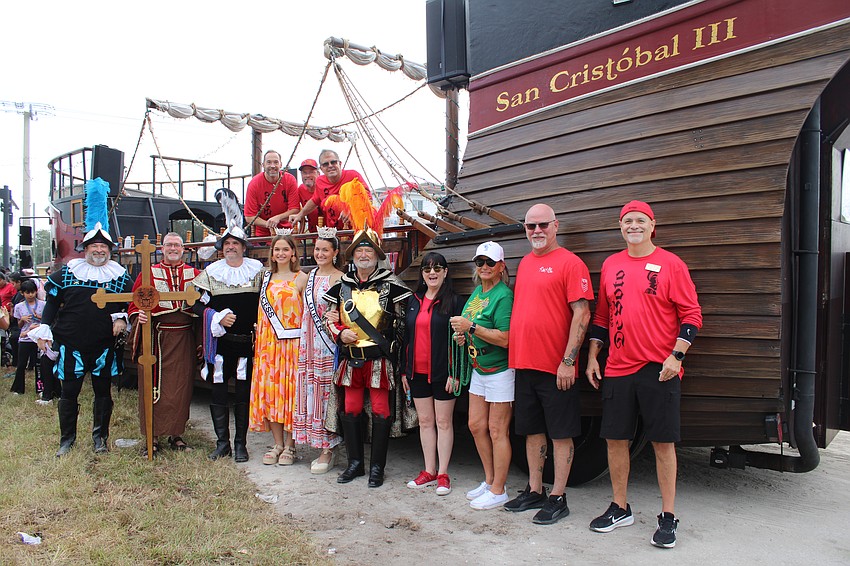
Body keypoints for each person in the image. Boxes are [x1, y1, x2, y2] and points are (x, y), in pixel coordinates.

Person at [585, 200, 702, 549]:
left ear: (653, 225)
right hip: (618, 367)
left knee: (662, 443)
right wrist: (593, 356)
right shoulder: (611, 265)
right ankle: (620, 507)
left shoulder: (671, 264)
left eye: (640, 221)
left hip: (659, 369)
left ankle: (668, 516)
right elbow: (602, 317)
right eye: (627, 221)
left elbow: (692, 314)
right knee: (616, 440)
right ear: (620, 227)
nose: (633, 226)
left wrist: (676, 356)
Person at [502, 204, 594, 524]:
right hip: (525, 364)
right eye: (530, 227)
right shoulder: (525, 263)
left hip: (557, 368)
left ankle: (558, 496)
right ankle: (535, 489)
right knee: (532, 432)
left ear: (556, 226)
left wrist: (568, 361)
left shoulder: (570, 263)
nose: (537, 231)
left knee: (561, 434)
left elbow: (582, 313)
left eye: (543, 225)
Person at [31, 221, 133, 457]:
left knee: (103, 393)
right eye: (94, 246)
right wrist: (44, 329)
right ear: (85, 249)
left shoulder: (118, 276)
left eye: (103, 247)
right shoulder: (68, 273)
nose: (99, 250)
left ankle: (100, 439)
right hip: (71, 344)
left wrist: (122, 317)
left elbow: (132, 301)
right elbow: (53, 303)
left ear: (110, 250)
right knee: (68, 393)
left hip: (104, 346)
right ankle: (67, 440)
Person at [324, 226, 411, 487]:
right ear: (352, 256)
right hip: (350, 360)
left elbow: (404, 324)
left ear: (377, 255)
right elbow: (330, 319)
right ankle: (355, 464)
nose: (364, 254)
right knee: (350, 409)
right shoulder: (341, 286)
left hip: (379, 360)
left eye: (368, 250)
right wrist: (339, 334)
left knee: (381, 411)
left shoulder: (392, 285)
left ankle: (377, 468)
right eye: (359, 250)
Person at [449, 241, 514, 510]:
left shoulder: (504, 295)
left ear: (501, 266)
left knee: (498, 430)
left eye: (490, 263)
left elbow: (507, 338)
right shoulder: (477, 292)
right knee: (476, 425)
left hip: (500, 371)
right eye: (480, 262)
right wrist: (463, 337)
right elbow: (471, 329)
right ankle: (489, 481)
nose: (484, 267)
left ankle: (500, 489)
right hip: (479, 369)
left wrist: (471, 327)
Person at [192, 226, 264, 462]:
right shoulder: (212, 273)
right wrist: (216, 316)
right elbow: (196, 305)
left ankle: (241, 444)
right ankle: (222, 444)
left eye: (235, 243)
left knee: (243, 396)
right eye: (227, 244)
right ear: (221, 249)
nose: (231, 247)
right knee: (219, 393)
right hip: (220, 347)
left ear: (244, 247)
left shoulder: (258, 272)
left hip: (247, 345)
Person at [128, 233, 201, 455]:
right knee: (153, 388)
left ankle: (176, 434)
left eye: (177, 245)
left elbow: (205, 303)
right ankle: (153, 437)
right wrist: (138, 316)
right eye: (169, 245)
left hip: (184, 339)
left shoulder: (195, 274)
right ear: (161, 248)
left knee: (180, 388)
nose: (173, 248)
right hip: (156, 340)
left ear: (184, 249)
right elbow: (134, 303)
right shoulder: (148, 275)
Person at [403, 252, 462, 496]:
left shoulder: (454, 301)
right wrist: (405, 371)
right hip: (417, 372)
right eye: (427, 269)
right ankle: (428, 470)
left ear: (446, 272)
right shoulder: (414, 300)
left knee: (443, 422)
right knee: (425, 422)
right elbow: (406, 338)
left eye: (438, 268)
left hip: (443, 373)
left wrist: (455, 373)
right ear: (422, 274)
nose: (432, 272)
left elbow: (461, 342)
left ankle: (443, 473)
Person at [251, 235, 307, 466]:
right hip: (268, 345)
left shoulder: (302, 278)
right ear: (272, 253)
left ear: (294, 253)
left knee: (291, 393)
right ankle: (278, 444)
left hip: (292, 344)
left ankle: (291, 446)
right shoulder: (265, 278)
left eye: (286, 249)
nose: (281, 253)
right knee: (272, 392)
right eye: (277, 249)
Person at [293, 228, 344, 474]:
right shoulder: (305, 276)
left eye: (325, 249)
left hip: (327, 345)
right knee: (309, 390)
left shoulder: (340, 278)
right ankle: (314, 442)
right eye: (317, 249)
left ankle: (328, 448)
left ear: (335, 252)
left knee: (326, 394)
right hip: (308, 344)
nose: (320, 253)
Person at [288, 149, 370, 229]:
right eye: (326, 164)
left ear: (340, 164)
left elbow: (368, 199)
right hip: (333, 231)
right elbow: (314, 200)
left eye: (333, 162)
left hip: (357, 229)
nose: (330, 166)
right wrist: (299, 215)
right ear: (322, 168)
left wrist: (351, 210)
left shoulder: (353, 176)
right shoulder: (320, 181)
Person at [10, 279, 55, 403]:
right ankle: (18, 388)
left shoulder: (43, 304)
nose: (30, 295)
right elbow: (19, 326)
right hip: (25, 338)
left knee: (39, 364)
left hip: (39, 338)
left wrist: (40, 318)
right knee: (21, 364)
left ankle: (40, 388)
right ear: (22, 293)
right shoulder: (19, 306)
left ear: (36, 292)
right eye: (27, 292)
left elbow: (48, 321)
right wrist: (23, 319)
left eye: (33, 292)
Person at [244, 150, 300, 237]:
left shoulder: (290, 180)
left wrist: (278, 218)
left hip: (286, 232)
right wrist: (268, 224)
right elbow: (249, 216)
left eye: (276, 162)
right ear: (263, 165)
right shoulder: (254, 184)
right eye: (269, 162)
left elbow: (295, 209)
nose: (272, 166)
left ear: (281, 165)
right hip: (262, 234)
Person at [296, 159, 321, 232]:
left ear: (318, 173)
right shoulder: (300, 189)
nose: (307, 175)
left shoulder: (324, 187)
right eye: (304, 173)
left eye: (311, 172)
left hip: (330, 231)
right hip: (313, 232)